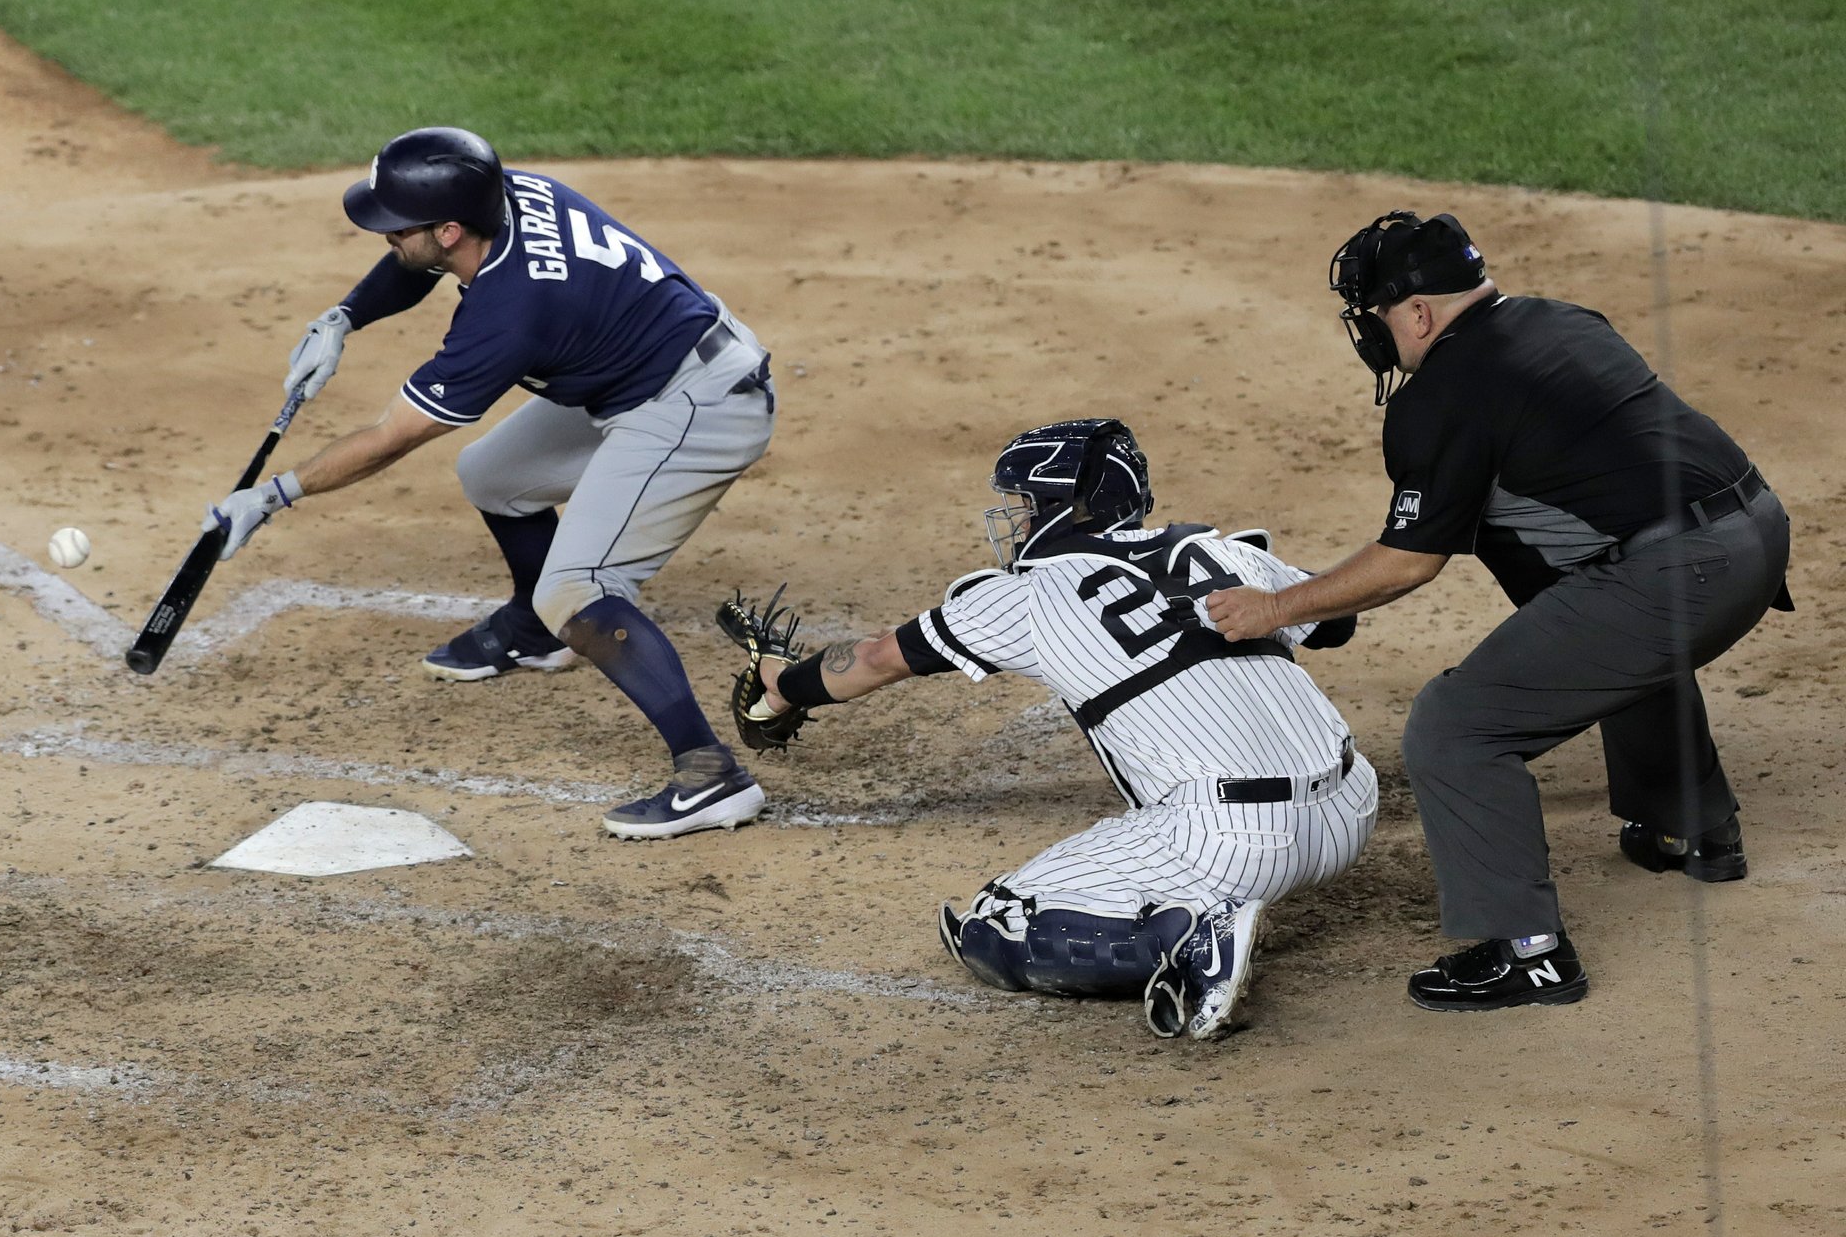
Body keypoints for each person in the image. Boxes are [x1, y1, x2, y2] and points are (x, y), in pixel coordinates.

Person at [1204, 210, 1793, 1013]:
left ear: (1417, 312)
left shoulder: (1443, 392)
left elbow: (1407, 561)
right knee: (1602, 619)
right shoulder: (1563, 319)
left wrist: (1275, 606)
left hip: (1681, 575)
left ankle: (1529, 952)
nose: (1372, 332)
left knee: (1455, 726)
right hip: (1758, 531)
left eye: (1377, 313)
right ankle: (1691, 827)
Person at [203, 126, 778, 841]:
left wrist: (274, 494)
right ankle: (536, 633)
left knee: (578, 588)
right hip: (641, 369)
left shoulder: (508, 313)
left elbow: (392, 436)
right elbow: (418, 259)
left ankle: (711, 774)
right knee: (494, 475)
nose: (386, 236)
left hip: (700, 405)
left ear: (449, 229)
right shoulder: (505, 196)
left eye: (397, 226)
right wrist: (345, 316)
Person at [738, 419, 1378, 1039]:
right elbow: (1335, 621)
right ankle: (1209, 912)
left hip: (1233, 847)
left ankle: (1192, 941)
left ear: (1062, 507)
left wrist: (783, 687)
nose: (1016, 520)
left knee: (996, 924)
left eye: (1024, 503)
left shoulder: (1024, 597)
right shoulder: (1224, 552)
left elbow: (876, 659)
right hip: (1352, 812)